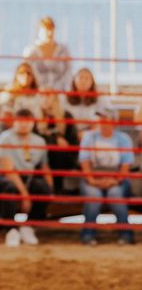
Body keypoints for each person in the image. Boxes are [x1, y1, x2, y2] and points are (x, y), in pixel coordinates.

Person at [0, 108, 53, 247]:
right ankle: (11, 230)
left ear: (33, 123)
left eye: (27, 121)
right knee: (9, 187)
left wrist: (50, 189)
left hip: (25, 177)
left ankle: (28, 227)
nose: (24, 124)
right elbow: (8, 170)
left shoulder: (39, 141)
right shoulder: (5, 138)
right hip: (1, 177)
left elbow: (44, 166)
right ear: (14, 122)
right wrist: (25, 195)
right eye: (21, 121)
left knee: (43, 189)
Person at [78, 108, 134, 245]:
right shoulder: (89, 137)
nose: (102, 122)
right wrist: (91, 180)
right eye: (100, 119)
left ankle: (126, 235)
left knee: (115, 194)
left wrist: (115, 181)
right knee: (94, 195)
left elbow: (126, 166)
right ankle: (88, 235)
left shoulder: (123, 139)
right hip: (92, 179)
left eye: (105, 119)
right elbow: (84, 163)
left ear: (113, 121)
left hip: (116, 179)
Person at [35, 88, 79, 194]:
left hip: (64, 157)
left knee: (56, 150)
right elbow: (36, 140)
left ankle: (57, 189)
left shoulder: (66, 116)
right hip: (42, 155)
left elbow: (72, 142)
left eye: (48, 96)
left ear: (55, 99)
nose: (44, 99)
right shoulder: (36, 118)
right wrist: (54, 139)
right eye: (42, 96)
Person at [23, 17, 73, 92]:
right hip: (36, 93)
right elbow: (25, 73)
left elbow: (69, 72)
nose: (49, 32)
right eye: (46, 29)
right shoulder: (31, 51)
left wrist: (58, 89)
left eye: (51, 29)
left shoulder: (64, 50)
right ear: (38, 31)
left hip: (60, 93)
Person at [0, 62, 42, 138]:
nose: (25, 76)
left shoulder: (38, 94)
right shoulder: (9, 91)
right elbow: (5, 115)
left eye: (28, 73)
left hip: (33, 131)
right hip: (10, 130)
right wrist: (21, 132)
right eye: (22, 73)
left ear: (33, 76)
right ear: (16, 75)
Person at [65, 67, 112, 135]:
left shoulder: (100, 98)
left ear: (92, 82)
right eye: (81, 77)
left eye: (87, 78)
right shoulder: (65, 97)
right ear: (74, 80)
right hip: (69, 134)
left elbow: (107, 115)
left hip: (92, 134)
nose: (83, 81)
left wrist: (92, 130)